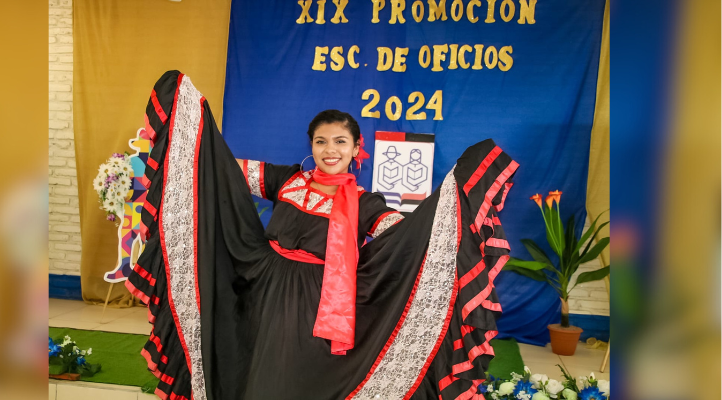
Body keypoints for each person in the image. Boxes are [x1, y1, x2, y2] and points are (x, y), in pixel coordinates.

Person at [126, 70, 518, 400]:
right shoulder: (288, 179)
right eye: (321, 141)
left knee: (287, 378)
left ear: (356, 148)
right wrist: (193, 133)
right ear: (311, 146)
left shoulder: (365, 203)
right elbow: (223, 169)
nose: (330, 150)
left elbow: (401, 233)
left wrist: (448, 207)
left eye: (340, 142)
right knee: (247, 363)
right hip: (259, 285)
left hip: (315, 301)